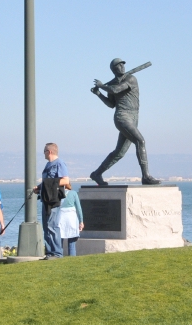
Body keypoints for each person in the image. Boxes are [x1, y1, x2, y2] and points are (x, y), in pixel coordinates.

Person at [89, 58, 160, 186]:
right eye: (118, 65)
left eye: (123, 64)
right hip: (122, 116)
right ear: (113, 69)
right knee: (140, 141)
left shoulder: (130, 79)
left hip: (134, 117)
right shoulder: (110, 85)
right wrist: (99, 93)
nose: (122, 67)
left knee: (119, 153)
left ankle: (97, 174)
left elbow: (116, 90)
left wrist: (102, 86)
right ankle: (146, 177)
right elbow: (111, 104)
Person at [39, 143, 70, 258]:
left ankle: (57, 253)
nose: (44, 154)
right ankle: (49, 252)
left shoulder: (59, 163)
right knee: (46, 226)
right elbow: (48, 181)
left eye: (44, 151)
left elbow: (65, 180)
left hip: (53, 200)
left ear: (50, 151)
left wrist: (48, 185)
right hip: (45, 199)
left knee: (53, 226)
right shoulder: (48, 165)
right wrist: (40, 187)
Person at [55, 179, 85, 257]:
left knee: (59, 242)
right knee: (72, 242)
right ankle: (72, 259)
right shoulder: (73, 193)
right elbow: (79, 208)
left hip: (60, 218)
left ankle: (59, 257)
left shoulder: (58, 193)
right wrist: (81, 221)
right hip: (72, 218)